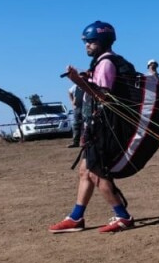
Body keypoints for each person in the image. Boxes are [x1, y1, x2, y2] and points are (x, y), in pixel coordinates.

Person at [49, 20, 136, 234]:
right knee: (84, 172)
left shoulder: (106, 63)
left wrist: (78, 81)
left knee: (97, 173)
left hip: (106, 128)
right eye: (86, 42)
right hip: (97, 127)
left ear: (103, 41)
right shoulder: (101, 63)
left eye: (91, 41)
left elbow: (104, 97)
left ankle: (123, 216)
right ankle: (76, 217)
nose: (87, 45)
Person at [67, 83, 85, 148]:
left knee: (85, 125)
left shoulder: (87, 85)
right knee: (76, 125)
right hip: (77, 108)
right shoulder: (75, 86)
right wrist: (72, 102)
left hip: (85, 108)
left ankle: (83, 142)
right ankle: (75, 142)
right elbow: (69, 91)